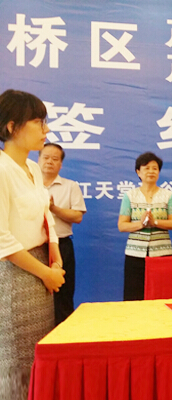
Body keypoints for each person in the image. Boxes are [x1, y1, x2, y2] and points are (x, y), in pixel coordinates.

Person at [0, 89, 65, 400]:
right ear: (12, 126)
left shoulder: (33, 168)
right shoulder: (2, 170)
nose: (46, 130)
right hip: (16, 274)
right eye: (38, 122)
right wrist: (45, 272)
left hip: (41, 271)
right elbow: (2, 239)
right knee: (16, 363)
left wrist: (55, 257)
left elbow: (46, 215)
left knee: (37, 356)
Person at [118, 152, 172, 300]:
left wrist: (155, 222)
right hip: (135, 253)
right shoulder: (130, 196)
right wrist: (140, 224)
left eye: (155, 168)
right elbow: (122, 225)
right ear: (138, 172)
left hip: (161, 253)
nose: (151, 171)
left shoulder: (168, 195)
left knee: (161, 294)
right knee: (133, 296)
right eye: (146, 168)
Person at [38, 143, 87, 324]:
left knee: (63, 295)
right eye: (46, 157)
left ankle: (63, 335)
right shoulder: (29, 185)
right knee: (35, 295)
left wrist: (54, 209)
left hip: (62, 246)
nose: (49, 162)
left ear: (61, 164)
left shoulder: (70, 186)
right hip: (34, 248)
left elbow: (77, 216)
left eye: (55, 159)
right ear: (38, 160)